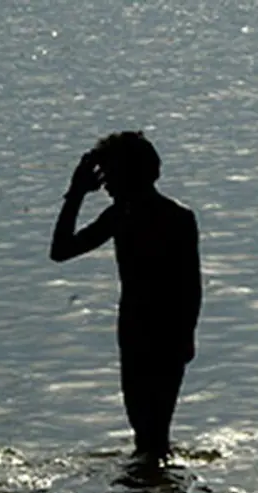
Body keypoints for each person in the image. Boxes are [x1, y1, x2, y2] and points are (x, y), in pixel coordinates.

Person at [51, 131, 202, 462]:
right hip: (140, 329)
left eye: (111, 176)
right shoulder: (123, 215)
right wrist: (75, 193)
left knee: (152, 430)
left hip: (161, 329)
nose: (105, 186)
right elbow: (60, 251)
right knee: (147, 430)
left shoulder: (167, 217)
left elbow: (190, 285)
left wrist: (187, 333)